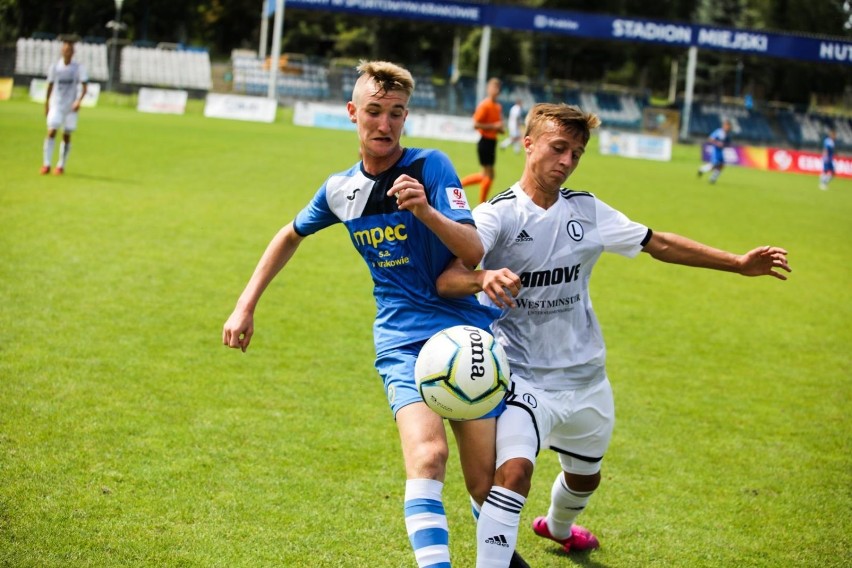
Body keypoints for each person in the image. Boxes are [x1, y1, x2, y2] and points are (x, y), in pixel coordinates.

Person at [436, 103, 792, 566]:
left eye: (576, 153)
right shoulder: (497, 215)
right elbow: (448, 279)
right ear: (528, 144)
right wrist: (483, 278)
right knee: (514, 474)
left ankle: (558, 527)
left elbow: (657, 243)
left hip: (587, 381)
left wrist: (738, 264)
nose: (566, 161)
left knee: (585, 478)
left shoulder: (586, 209)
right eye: (558, 148)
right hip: (524, 379)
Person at [222, 60, 529, 568]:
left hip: (465, 337)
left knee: (483, 486)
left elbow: (473, 251)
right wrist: (245, 305)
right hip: (403, 342)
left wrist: (426, 210)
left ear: (406, 117)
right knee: (428, 457)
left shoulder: (430, 167)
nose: (384, 124)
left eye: (396, 113)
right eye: (374, 112)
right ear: (352, 113)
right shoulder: (340, 190)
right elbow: (289, 235)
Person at [41, 38, 88, 175]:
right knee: (51, 131)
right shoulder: (55, 67)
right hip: (56, 105)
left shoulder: (78, 68)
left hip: (71, 107)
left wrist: (78, 101)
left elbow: (85, 87)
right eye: (66, 49)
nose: (68, 52)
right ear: (62, 50)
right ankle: (46, 163)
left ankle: (61, 165)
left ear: (73, 52)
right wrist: (46, 104)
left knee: (66, 135)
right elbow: (49, 86)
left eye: (70, 50)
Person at [460, 77, 504, 204]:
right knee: (488, 175)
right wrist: (493, 126)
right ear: (488, 89)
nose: (496, 90)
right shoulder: (485, 105)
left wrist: (499, 129)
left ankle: (461, 184)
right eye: (493, 87)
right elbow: (476, 124)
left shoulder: (497, 106)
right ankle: (481, 202)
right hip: (485, 141)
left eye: (498, 88)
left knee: (487, 175)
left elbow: (497, 125)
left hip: (492, 142)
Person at [697, 118, 731, 184]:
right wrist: (717, 143)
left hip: (721, 151)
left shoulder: (728, 134)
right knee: (714, 165)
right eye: (727, 126)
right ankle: (702, 169)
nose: (728, 127)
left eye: (729, 126)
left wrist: (725, 145)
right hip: (716, 151)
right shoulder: (719, 132)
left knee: (721, 165)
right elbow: (710, 139)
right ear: (724, 125)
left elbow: (727, 144)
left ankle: (712, 178)